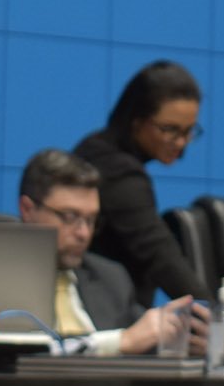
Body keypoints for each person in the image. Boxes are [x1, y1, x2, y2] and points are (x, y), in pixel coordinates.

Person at [16, 148, 201, 356]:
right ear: (28, 209)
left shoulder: (110, 278)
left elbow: (144, 339)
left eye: (91, 220)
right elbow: (19, 354)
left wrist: (196, 340)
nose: (84, 233)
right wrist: (119, 342)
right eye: (69, 216)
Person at [73, 61, 207, 301]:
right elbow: (162, 257)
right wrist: (214, 316)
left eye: (188, 131)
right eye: (169, 129)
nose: (180, 142)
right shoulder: (117, 171)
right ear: (136, 120)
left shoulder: (96, 148)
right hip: (109, 315)